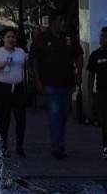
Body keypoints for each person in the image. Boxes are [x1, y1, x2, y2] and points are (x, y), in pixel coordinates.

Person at [30, 10, 84, 160]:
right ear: (53, 22)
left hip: (66, 82)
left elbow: (79, 55)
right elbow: (34, 59)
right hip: (50, 83)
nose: (63, 24)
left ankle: (60, 143)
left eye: (64, 21)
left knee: (63, 115)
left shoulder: (69, 38)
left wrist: (78, 73)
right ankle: (57, 146)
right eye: (60, 20)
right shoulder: (41, 39)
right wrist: (38, 80)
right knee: (55, 113)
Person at [0, 28, 28, 158]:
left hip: (17, 88)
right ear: (3, 39)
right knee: (5, 118)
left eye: (13, 37)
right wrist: (0, 66)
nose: (11, 39)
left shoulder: (21, 52)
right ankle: (3, 146)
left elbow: (27, 66)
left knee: (21, 117)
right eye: (8, 37)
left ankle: (19, 145)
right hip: (2, 88)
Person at [86, 26, 107, 160]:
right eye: (100, 36)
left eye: (104, 36)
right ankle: (106, 147)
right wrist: (91, 95)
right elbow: (91, 75)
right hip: (102, 92)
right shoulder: (95, 55)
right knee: (105, 121)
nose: (102, 39)